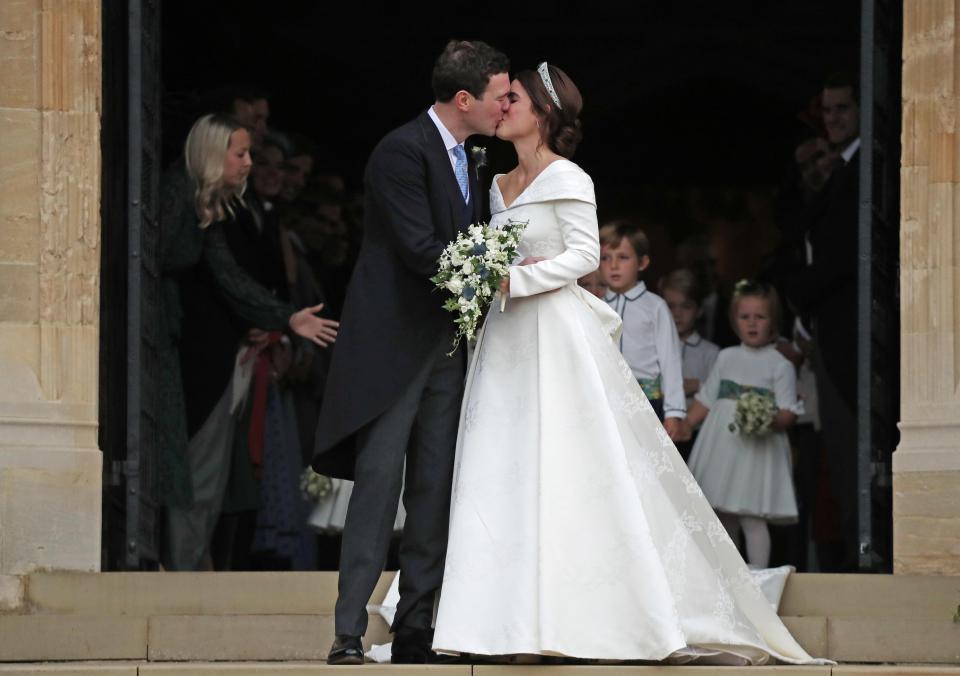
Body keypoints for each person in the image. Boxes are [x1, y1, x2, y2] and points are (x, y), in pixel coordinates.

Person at [432, 63, 825, 666]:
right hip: (505, 339)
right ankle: (506, 624)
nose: (501, 106)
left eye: (513, 98)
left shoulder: (570, 178)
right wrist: (485, 282)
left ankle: (578, 617)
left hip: (553, 333)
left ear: (545, 114)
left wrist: (517, 278)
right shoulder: (497, 181)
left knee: (566, 469)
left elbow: (586, 254)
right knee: (503, 467)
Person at [311, 40, 511, 665]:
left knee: (435, 487)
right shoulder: (400, 150)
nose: (507, 105)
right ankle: (348, 630)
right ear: (463, 99)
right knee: (377, 486)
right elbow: (422, 248)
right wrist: (501, 273)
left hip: (446, 347)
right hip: (392, 348)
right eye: (500, 95)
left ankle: (417, 627)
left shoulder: (474, 158)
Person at [158, 113, 338, 570]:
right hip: (181, 353)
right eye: (239, 153)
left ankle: (190, 568)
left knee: (209, 475)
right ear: (211, 154)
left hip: (205, 354)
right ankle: (179, 570)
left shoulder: (209, 204)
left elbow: (230, 277)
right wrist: (285, 316)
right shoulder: (177, 194)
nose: (248, 163)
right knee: (195, 470)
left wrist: (287, 317)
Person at [782, 71, 861, 572]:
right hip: (822, 332)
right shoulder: (830, 180)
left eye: (842, 110)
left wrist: (796, 293)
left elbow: (839, 256)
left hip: (848, 333)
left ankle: (859, 559)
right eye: (826, 112)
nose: (833, 121)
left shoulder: (859, 170)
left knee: (850, 448)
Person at [684, 280, 802, 568]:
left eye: (760, 317)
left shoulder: (779, 364)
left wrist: (768, 419)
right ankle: (730, 575)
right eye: (744, 317)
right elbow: (706, 399)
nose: (752, 323)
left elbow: (789, 412)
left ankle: (759, 578)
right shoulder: (726, 357)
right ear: (734, 321)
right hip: (723, 449)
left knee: (751, 515)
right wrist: (683, 424)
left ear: (773, 321)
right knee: (723, 516)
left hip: (755, 454)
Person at [600, 221, 686, 432]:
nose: (613, 265)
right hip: (604, 403)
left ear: (642, 262)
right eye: (605, 258)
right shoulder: (595, 307)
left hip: (647, 404)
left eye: (623, 257)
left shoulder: (655, 306)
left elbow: (670, 360)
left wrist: (674, 411)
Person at [660, 268, 720, 461]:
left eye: (685, 307)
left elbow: (720, 393)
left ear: (699, 310)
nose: (677, 314)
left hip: (697, 434)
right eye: (671, 306)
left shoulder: (710, 353)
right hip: (658, 429)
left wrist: (696, 385)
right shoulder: (652, 347)